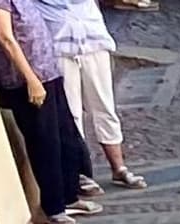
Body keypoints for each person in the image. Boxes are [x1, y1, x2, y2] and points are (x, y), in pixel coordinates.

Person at [0, 0, 95, 224]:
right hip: (26, 80)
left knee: (65, 137)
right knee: (45, 144)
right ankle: (54, 207)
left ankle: (69, 195)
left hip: (47, 71)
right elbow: (4, 36)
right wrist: (31, 79)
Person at [47, 0, 138, 191]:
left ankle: (119, 167)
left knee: (104, 107)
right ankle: (79, 172)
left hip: (93, 40)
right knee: (71, 114)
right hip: (59, 47)